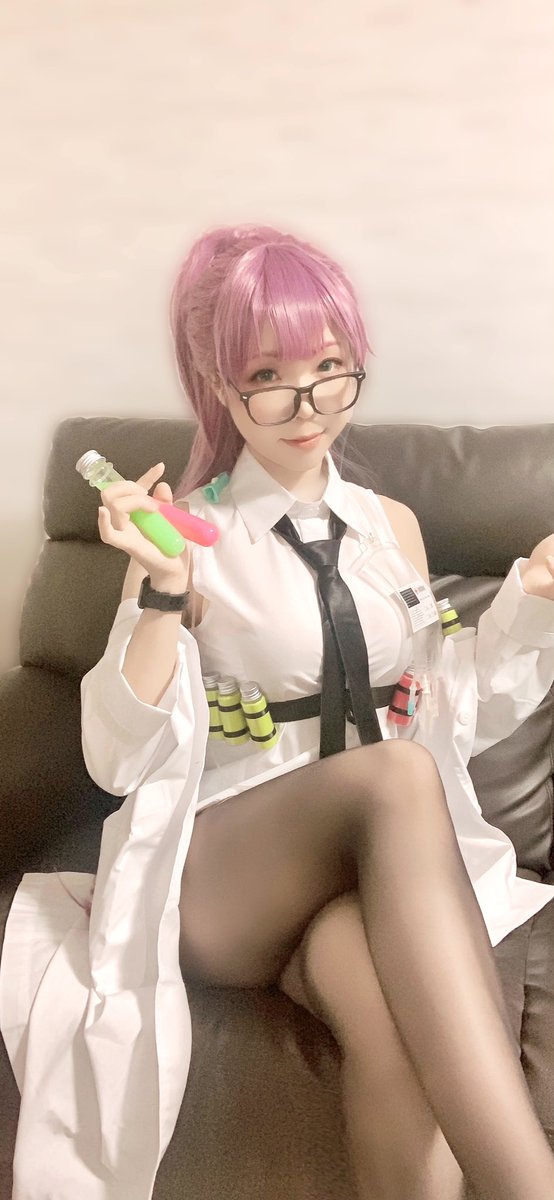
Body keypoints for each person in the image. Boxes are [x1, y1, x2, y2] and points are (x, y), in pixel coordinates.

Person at [3, 224, 554, 1200]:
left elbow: (446, 708)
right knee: (394, 776)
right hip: (224, 885)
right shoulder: (189, 534)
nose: (307, 406)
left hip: (360, 882)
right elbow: (115, 757)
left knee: (389, 1022)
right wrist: (162, 593)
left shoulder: (392, 531)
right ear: (217, 386)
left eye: (330, 369)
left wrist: (529, 602)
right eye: (268, 376)